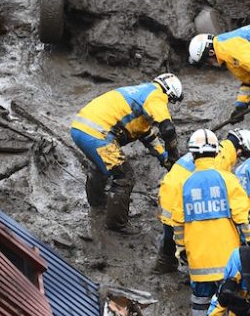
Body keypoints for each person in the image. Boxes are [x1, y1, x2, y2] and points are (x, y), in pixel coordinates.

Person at [70, 74, 183, 230]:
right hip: (98, 135)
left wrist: (164, 159)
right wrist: (174, 156)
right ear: (169, 93)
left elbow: (147, 136)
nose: (167, 105)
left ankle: (97, 205)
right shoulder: (156, 96)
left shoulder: (139, 93)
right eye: (170, 101)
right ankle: (117, 224)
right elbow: (168, 130)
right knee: (124, 176)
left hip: (80, 128)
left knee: (100, 165)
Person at [171, 129, 250, 316]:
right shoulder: (228, 179)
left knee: (200, 300)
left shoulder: (184, 184)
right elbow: (242, 218)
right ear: (217, 152)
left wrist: (180, 248)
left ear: (193, 154)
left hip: (199, 258)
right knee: (232, 294)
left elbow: (178, 223)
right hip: (227, 256)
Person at [155, 129, 250, 273]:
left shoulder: (207, 148)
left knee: (170, 231)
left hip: (168, 191)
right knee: (193, 229)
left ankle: (164, 265)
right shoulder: (222, 157)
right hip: (181, 195)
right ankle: (189, 265)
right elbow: (210, 186)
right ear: (240, 151)